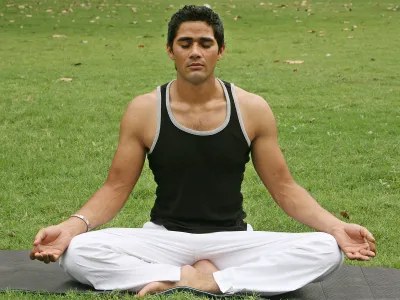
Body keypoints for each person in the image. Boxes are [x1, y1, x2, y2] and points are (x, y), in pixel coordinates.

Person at [30, 5, 376, 297]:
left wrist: (335, 227)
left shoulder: (252, 109)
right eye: (185, 43)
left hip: (232, 241)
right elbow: (116, 188)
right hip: (165, 238)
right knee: (76, 254)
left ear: (219, 51)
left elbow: (284, 188)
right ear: (171, 50)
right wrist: (71, 227)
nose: (195, 51)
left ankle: (210, 279)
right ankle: (184, 276)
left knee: (328, 251)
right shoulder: (144, 110)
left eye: (205, 43)